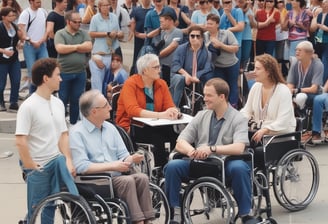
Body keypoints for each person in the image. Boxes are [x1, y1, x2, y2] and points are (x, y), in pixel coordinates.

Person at [164, 78, 258, 224]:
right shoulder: (201, 115)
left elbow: (239, 147)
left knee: (240, 167)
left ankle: (246, 214)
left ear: (222, 97)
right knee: (172, 166)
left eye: (209, 95)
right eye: (204, 95)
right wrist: (191, 151)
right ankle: (175, 213)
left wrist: (212, 149)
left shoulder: (238, 118)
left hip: (224, 164)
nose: (205, 99)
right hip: (200, 162)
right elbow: (180, 141)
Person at [70, 89, 155, 224]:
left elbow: (123, 155)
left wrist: (131, 159)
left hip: (115, 176)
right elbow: (82, 166)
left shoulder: (110, 128)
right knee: (127, 181)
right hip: (94, 180)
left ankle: (147, 220)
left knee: (142, 178)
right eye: (106, 105)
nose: (110, 107)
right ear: (94, 111)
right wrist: (113, 165)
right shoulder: (77, 133)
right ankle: (138, 221)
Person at [15, 58, 78, 222]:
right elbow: (21, 140)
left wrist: (69, 160)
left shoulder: (59, 104)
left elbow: (64, 134)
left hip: (56, 161)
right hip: (39, 165)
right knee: (35, 208)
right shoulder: (28, 106)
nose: (61, 78)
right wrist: (30, 166)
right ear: (45, 78)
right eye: (58, 75)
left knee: (51, 207)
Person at [116, 53, 180, 167]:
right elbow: (132, 110)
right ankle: (161, 170)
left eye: (159, 67)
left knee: (178, 137)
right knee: (159, 141)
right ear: (144, 71)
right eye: (156, 67)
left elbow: (169, 105)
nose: (159, 70)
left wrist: (173, 111)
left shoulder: (161, 83)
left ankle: (175, 167)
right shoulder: (131, 84)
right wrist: (161, 115)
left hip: (156, 124)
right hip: (133, 126)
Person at [240, 54, 296, 167]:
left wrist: (266, 129)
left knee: (257, 152)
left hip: (280, 135)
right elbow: (246, 111)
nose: (254, 71)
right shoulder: (256, 87)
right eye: (254, 68)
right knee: (239, 147)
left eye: (258, 68)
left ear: (269, 71)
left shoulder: (283, 91)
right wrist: (236, 121)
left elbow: (283, 120)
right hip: (259, 134)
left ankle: (258, 180)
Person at [54, 10, 93, 125]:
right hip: (64, 73)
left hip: (80, 72)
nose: (78, 24)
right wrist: (79, 47)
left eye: (80, 22)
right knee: (62, 100)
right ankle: (59, 124)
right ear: (68, 22)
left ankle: (73, 124)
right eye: (75, 22)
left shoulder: (83, 33)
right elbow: (60, 49)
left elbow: (89, 47)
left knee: (76, 100)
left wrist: (70, 47)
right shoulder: (60, 33)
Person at [170, 25, 212, 107]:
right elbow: (175, 64)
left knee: (209, 77)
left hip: (196, 77)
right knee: (179, 78)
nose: (194, 38)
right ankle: (174, 107)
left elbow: (207, 68)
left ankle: (204, 105)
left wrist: (196, 76)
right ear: (189, 37)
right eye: (192, 36)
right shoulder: (181, 48)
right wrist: (186, 75)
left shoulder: (207, 53)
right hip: (181, 75)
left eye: (197, 36)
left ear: (202, 38)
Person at [203, 13, 240, 107]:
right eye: (207, 23)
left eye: (211, 24)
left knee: (232, 86)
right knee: (220, 88)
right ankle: (222, 107)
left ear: (217, 24)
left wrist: (221, 45)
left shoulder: (227, 33)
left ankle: (233, 107)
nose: (208, 26)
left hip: (231, 64)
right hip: (217, 66)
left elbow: (236, 48)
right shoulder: (204, 36)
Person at [88, 0, 124, 92]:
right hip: (99, 54)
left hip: (112, 54)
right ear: (99, 7)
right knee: (97, 85)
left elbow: (119, 32)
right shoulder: (95, 18)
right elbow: (91, 33)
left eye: (108, 5)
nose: (106, 7)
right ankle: (96, 104)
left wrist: (118, 34)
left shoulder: (114, 17)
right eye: (104, 5)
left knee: (110, 84)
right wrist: (107, 34)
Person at [18, 0, 49, 94]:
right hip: (29, 46)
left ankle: (44, 92)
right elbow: (21, 30)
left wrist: (42, 39)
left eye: (40, 2)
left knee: (46, 68)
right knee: (32, 71)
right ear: (31, 2)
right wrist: (30, 41)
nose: (39, 4)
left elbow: (46, 28)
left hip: (42, 44)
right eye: (37, 2)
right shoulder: (25, 13)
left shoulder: (43, 12)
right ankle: (32, 94)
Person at [147, 6, 183, 86]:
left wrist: (157, 56)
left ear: (169, 20)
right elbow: (149, 35)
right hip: (162, 66)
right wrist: (160, 28)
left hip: (171, 67)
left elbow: (172, 47)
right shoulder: (163, 32)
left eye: (162, 22)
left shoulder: (177, 32)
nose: (161, 23)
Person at [286, 41, 323, 116]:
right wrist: (289, 92)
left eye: (300, 50)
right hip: (297, 93)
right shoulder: (295, 64)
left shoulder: (317, 64)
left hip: (313, 94)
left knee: (301, 97)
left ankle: (301, 116)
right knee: (285, 96)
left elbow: (314, 89)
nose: (297, 52)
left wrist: (298, 90)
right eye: (296, 50)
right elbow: (290, 84)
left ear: (308, 53)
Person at [0, 7, 23, 112]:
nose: (13, 18)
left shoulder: (14, 26)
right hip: (2, 59)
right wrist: (4, 51)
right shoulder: (0, 27)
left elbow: (18, 40)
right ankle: (1, 102)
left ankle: (13, 102)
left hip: (13, 58)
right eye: (10, 16)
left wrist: (19, 43)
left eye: (14, 15)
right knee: (1, 82)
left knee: (16, 80)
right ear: (3, 17)